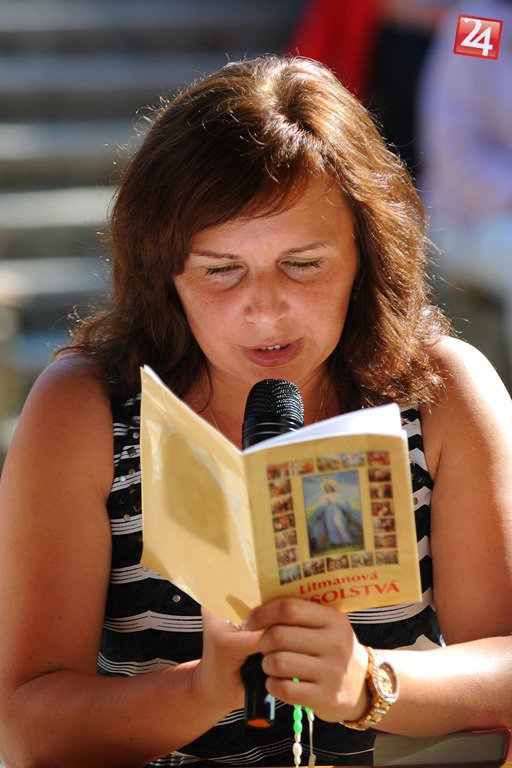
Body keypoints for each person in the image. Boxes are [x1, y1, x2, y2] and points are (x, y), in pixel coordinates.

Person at [0, 55, 511, 768]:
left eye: (304, 265)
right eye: (221, 271)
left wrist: (367, 681)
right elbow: (27, 726)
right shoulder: (85, 409)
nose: (264, 308)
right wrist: (203, 690)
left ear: (366, 254)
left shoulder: (442, 392)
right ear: (164, 275)